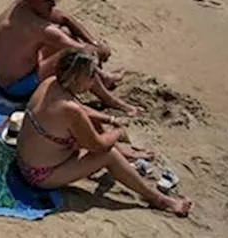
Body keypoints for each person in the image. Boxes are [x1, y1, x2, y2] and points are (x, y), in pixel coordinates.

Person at [14, 49, 192, 217]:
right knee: (109, 155)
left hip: (23, 159)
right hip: (38, 174)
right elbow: (98, 145)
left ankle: (128, 155)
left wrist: (110, 119)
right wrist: (118, 132)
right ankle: (160, 200)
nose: (94, 81)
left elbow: (79, 109)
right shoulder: (70, 110)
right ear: (77, 78)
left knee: (90, 124)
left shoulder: (50, 83)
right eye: (91, 76)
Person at [0, 0, 136, 112]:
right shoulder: (37, 27)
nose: (52, 5)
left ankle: (103, 77)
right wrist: (100, 50)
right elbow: (83, 52)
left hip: (7, 74)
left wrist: (94, 42)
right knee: (76, 58)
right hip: (15, 88)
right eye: (48, 1)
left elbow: (65, 18)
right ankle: (110, 100)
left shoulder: (20, 7)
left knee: (66, 33)